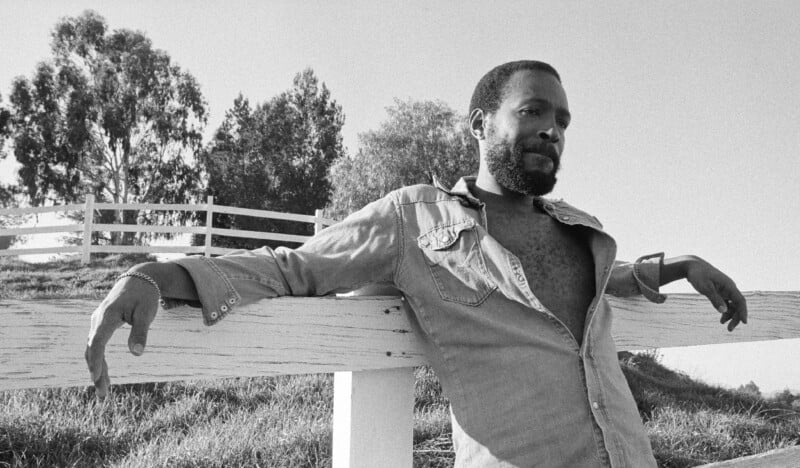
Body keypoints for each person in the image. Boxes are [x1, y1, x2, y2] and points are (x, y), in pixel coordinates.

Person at [86, 60, 748, 467]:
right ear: (479, 123)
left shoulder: (581, 230)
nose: (554, 129)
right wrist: (158, 275)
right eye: (534, 111)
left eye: (564, 119)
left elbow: (608, 284)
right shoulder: (414, 219)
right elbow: (297, 269)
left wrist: (676, 264)